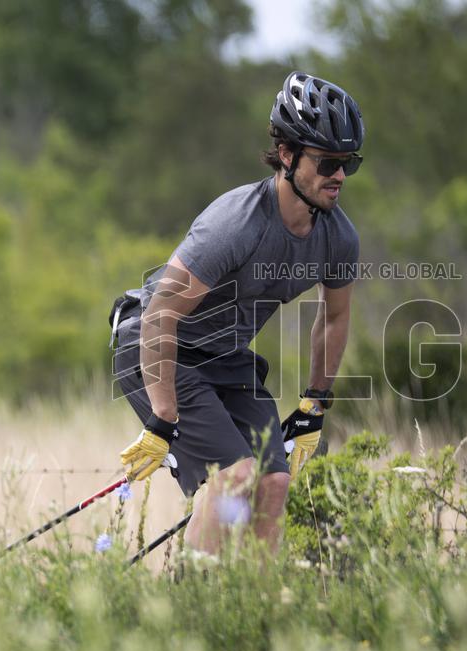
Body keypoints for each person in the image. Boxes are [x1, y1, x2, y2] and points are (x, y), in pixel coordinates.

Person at [110, 71, 364, 555]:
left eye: (349, 162)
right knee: (235, 475)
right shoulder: (235, 224)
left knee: (273, 484)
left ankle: (256, 612)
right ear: (287, 155)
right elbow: (161, 314)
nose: (340, 176)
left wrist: (315, 403)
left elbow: (333, 318)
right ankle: (192, 606)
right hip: (157, 344)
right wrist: (162, 419)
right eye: (329, 161)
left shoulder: (338, 237)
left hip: (225, 359)